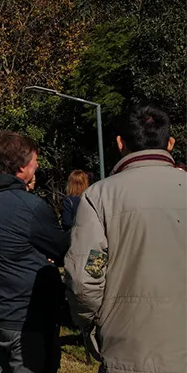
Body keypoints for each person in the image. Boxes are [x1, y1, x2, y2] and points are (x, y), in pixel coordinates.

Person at [65, 105, 187, 373]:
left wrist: (92, 325)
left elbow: (85, 279)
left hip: (127, 348)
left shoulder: (99, 196)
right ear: (170, 143)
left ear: (120, 143)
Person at [0, 131, 68, 373]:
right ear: (21, 168)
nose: (37, 165)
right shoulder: (28, 207)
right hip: (27, 315)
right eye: (34, 160)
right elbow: (62, 248)